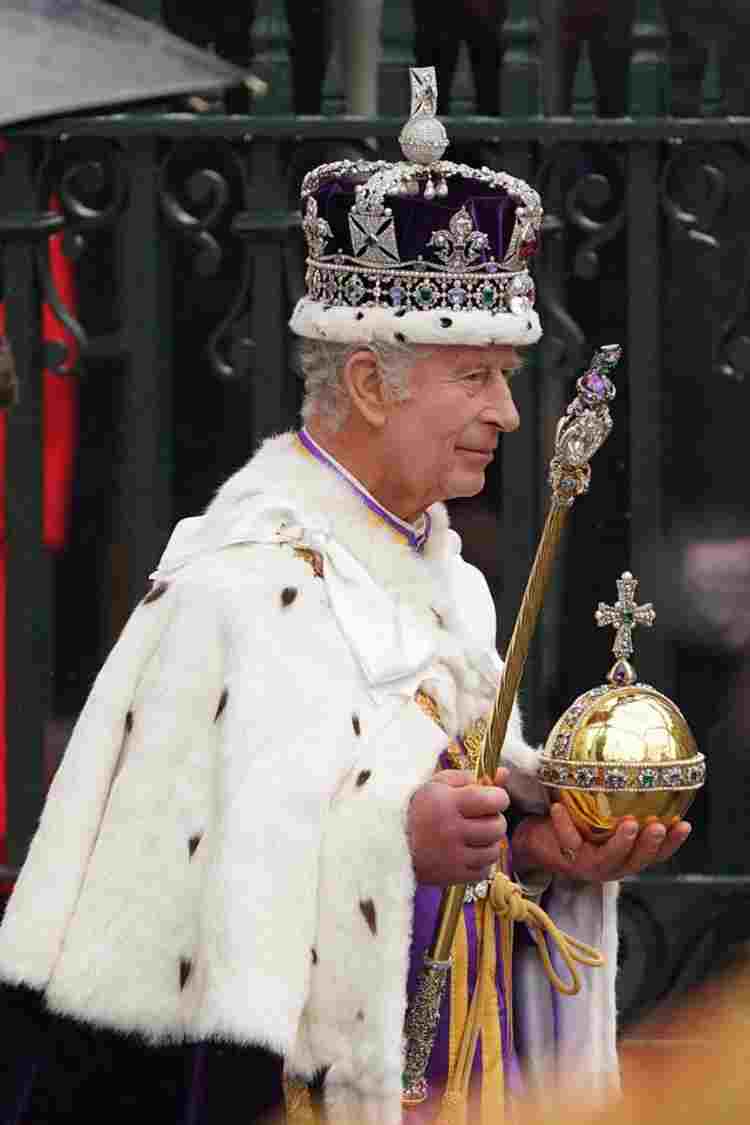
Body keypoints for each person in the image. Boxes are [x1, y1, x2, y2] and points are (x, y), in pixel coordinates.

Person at [0, 67, 689, 1124]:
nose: (507, 413)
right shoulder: (235, 589)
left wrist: (536, 847)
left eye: (506, 377)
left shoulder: (445, 580)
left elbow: (445, 859)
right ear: (371, 384)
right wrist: (393, 845)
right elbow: (171, 942)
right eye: (477, 376)